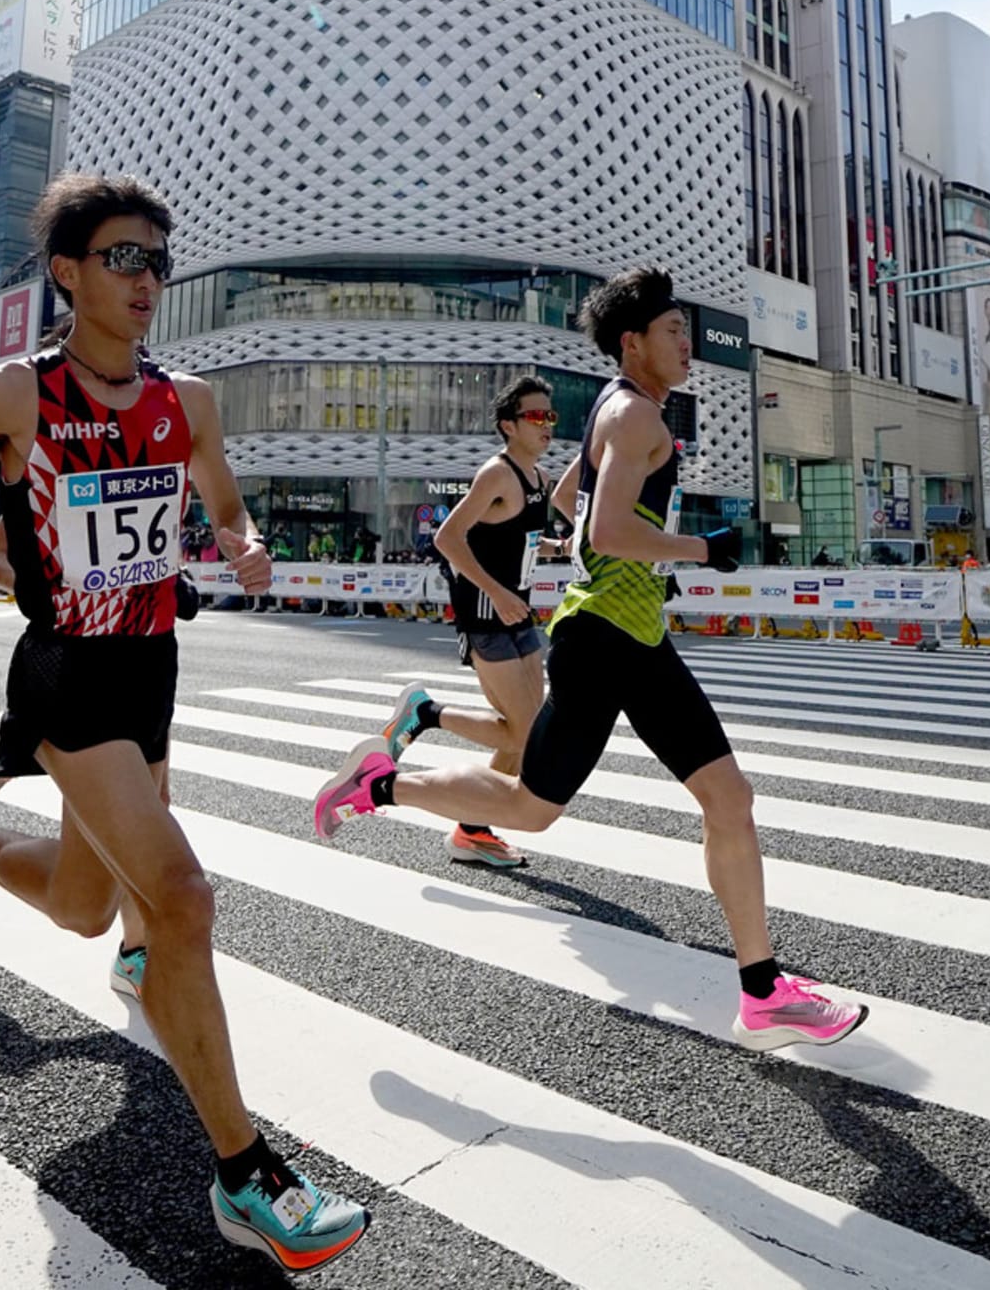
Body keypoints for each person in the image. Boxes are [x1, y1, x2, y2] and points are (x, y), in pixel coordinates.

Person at [0, 174, 370, 1271]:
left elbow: (221, 498)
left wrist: (239, 543)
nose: (146, 281)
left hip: (150, 670)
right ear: (69, 272)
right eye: (124, 259)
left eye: (156, 262)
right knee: (179, 900)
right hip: (63, 675)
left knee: (88, 910)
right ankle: (245, 1175)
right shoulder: (11, 393)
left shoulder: (187, 399)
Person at [311, 266, 870, 1054]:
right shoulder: (637, 417)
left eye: (686, 331)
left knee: (728, 797)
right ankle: (385, 784)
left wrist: (633, 559)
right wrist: (698, 549)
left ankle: (763, 989)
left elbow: (574, 507)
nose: (687, 344)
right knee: (533, 808)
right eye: (674, 332)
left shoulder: (617, 408)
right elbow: (602, 532)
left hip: (632, 633)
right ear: (632, 342)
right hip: (604, 640)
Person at [416, 374, 574, 870]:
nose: (546, 424)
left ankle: (473, 830)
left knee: (528, 731)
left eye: (550, 415)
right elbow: (448, 538)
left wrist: (560, 548)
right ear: (509, 425)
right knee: (527, 735)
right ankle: (426, 713)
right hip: (487, 613)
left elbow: (518, 540)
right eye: (535, 416)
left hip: (518, 612)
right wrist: (498, 592)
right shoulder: (498, 473)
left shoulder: (539, 479)